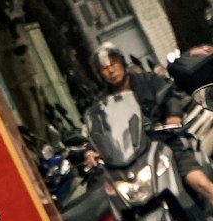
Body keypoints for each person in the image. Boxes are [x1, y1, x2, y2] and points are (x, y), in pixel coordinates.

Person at [90, 43, 213, 212]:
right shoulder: (103, 102)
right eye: (104, 68)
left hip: (165, 143)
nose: (111, 71)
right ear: (99, 74)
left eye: (113, 64)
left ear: (122, 63)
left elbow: (170, 96)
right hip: (134, 159)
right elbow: (97, 128)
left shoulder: (148, 80)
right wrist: (92, 150)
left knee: (200, 183)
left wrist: (172, 116)